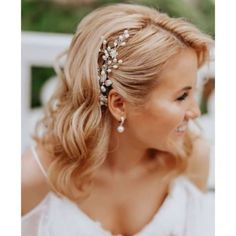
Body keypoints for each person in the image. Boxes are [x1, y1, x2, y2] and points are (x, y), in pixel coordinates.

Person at [21, 3, 214, 236]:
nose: (195, 111)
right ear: (119, 104)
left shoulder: (191, 158)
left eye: (194, 92)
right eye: (182, 96)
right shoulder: (31, 179)